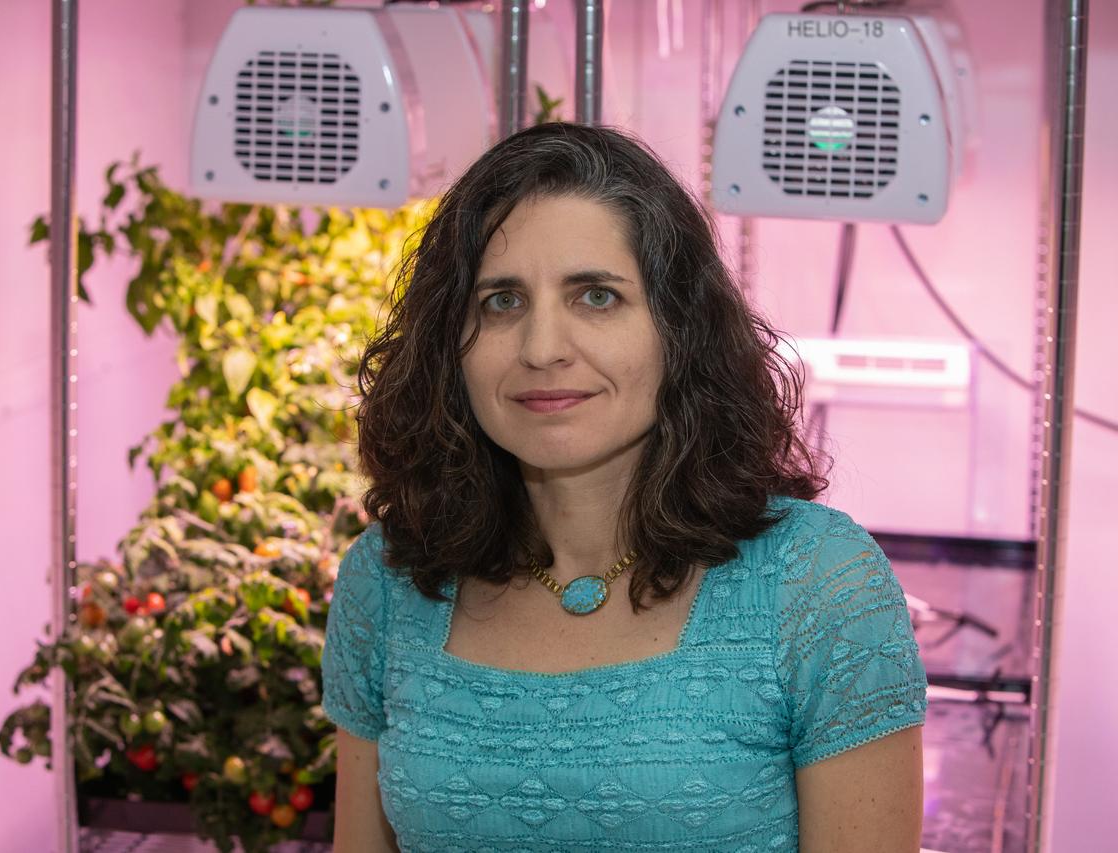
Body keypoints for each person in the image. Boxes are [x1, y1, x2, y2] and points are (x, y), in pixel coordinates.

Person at [320, 122, 927, 852]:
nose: (543, 348)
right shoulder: (388, 580)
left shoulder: (817, 585)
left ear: (678, 330)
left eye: (597, 297)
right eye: (501, 302)